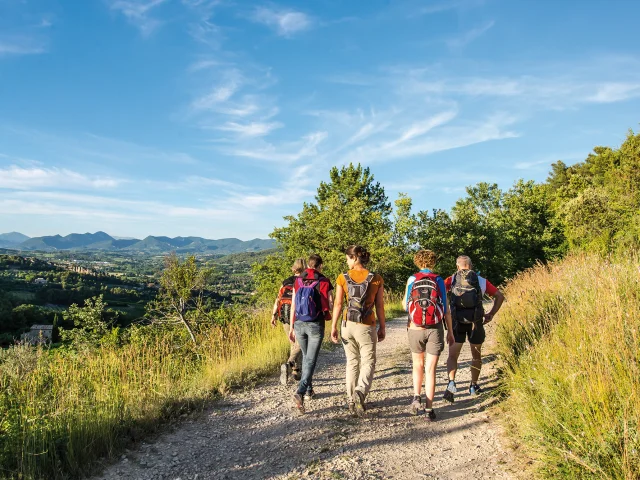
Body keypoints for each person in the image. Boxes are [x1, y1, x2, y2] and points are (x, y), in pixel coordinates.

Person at [330, 245, 385, 417]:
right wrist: (382, 326)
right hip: (367, 325)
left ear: (354, 258)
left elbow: (338, 304)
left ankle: (351, 401)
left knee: (352, 362)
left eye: (347, 258)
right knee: (368, 361)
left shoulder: (342, 277)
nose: (346, 261)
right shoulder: (376, 278)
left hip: (347, 324)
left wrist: (333, 326)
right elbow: (380, 306)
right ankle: (361, 391)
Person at [443, 255, 505, 401]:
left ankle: (451, 383)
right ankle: (473, 385)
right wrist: (491, 314)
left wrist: (446, 313)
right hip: (475, 323)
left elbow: (438, 295)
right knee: (476, 356)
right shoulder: (482, 281)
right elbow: (499, 296)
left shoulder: (450, 280)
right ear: (471, 266)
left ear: (457, 266)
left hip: (457, 322)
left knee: (452, 356)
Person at [403, 249, 455, 421]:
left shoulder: (412, 279)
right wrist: (450, 332)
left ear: (417, 262)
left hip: (415, 328)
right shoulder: (439, 280)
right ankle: (429, 410)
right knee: (430, 369)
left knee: (417, 364)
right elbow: (446, 309)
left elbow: (405, 306)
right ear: (433, 262)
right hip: (435, 328)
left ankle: (416, 397)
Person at [289, 254, 333, 414]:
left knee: (307, 357)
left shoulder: (298, 280)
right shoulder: (324, 281)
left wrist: (292, 327)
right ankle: (300, 392)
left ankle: (309, 391)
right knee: (311, 360)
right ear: (320, 266)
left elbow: (294, 304)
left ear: (308, 265)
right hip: (315, 323)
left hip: (299, 323)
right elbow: (330, 303)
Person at [271, 258, 307, 385]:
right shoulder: (305, 280)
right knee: (302, 343)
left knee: (293, 342)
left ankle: (296, 371)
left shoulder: (286, 281)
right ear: (304, 268)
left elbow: (278, 298)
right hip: (298, 315)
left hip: (284, 316)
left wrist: (274, 315)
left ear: (294, 268)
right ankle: (289, 363)